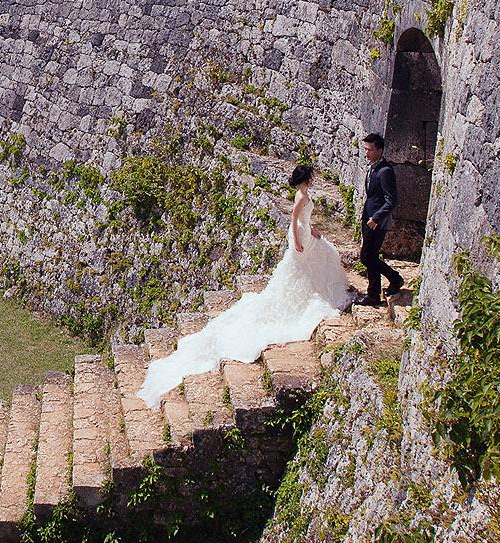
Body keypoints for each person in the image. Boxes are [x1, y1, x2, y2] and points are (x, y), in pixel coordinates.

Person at [135, 162, 353, 407]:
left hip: (304, 233)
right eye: (311, 177)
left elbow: (303, 219)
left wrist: (310, 231)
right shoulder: (302, 196)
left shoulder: (303, 194)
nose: (313, 179)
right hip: (299, 237)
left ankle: (317, 288)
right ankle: (318, 291)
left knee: (317, 260)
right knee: (312, 264)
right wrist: (298, 239)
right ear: (307, 179)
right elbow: (294, 219)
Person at [358, 132, 406, 306]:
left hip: (377, 221)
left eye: (369, 150)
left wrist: (376, 217)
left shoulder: (385, 171)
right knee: (370, 255)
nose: (366, 153)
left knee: (367, 257)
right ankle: (373, 293)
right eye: (365, 149)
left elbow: (391, 201)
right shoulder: (373, 168)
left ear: (379, 150)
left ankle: (394, 278)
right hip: (369, 219)